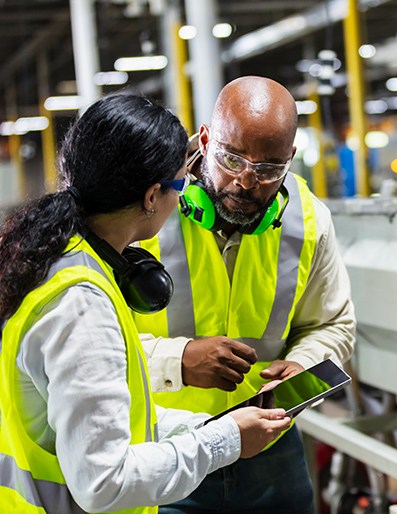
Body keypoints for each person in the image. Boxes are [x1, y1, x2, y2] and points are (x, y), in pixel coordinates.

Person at [0, 94, 291, 513]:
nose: (183, 199)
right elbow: (106, 482)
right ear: (152, 196)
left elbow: (112, 417)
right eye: (179, 185)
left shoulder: (51, 260)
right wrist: (221, 442)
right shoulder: (81, 305)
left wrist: (213, 426)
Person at [135, 76, 356, 513]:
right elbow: (94, 346)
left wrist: (304, 366)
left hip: (268, 444)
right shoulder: (144, 212)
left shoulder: (308, 222)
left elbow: (333, 324)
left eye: (270, 169)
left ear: (291, 158)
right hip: (164, 444)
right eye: (232, 158)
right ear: (203, 139)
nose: (246, 182)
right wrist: (176, 362)